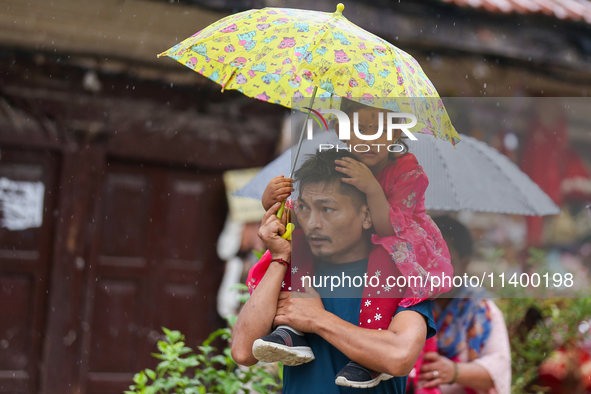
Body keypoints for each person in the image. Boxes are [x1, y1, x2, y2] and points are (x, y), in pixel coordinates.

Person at [248, 99, 453, 388]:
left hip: (397, 242)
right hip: (358, 243)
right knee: (299, 241)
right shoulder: (338, 164)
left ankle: (369, 357)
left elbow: (388, 229)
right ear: (341, 131)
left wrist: (370, 186)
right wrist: (272, 201)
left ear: (397, 134)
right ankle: (290, 329)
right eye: (361, 128)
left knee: (384, 257)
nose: (370, 137)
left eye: (380, 129)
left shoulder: (407, 170)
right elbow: (303, 211)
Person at [415, 216, 511, 394]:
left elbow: (498, 370)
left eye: (442, 256)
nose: (432, 264)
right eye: (426, 254)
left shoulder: (481, 309)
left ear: (464, 263)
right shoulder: (410, 303)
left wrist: (454, 372)